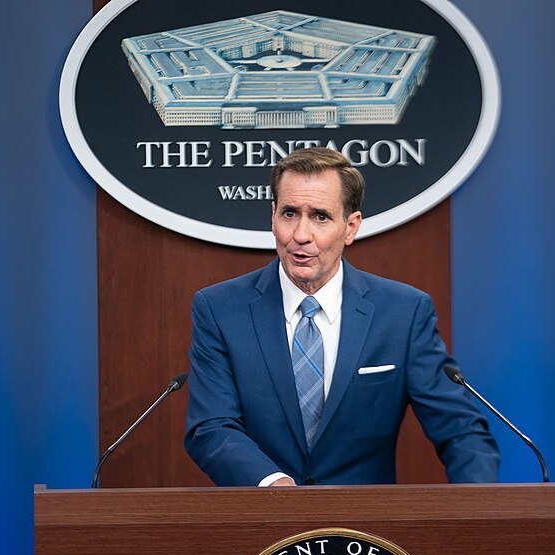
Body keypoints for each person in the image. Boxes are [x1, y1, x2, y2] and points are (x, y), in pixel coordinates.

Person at [184, 147, 499, 486]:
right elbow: (211, 427)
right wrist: (273, 485)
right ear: (272, 217)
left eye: (320, 217)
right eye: (290, 214)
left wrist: (477, 512)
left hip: (365, 532)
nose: (301, 235)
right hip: (262, 524)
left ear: (351, 227)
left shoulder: (403, 313)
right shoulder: (220, 309)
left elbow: (461, 431)